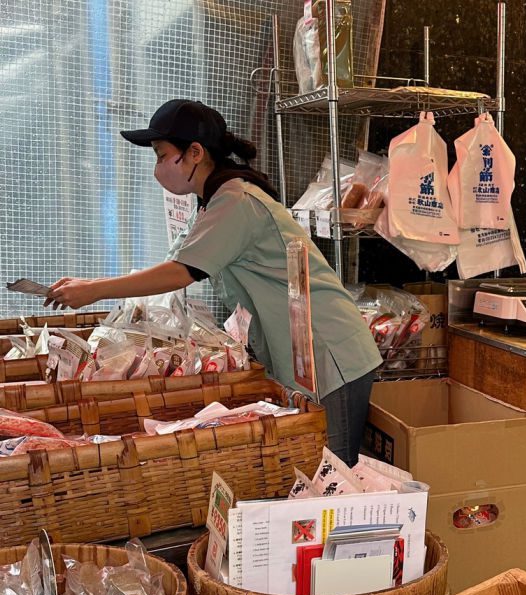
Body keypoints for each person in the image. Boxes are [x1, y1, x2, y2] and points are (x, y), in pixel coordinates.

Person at [46, 99, 382, 464]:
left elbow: (181, 272)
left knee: (330, 472)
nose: (157, 168)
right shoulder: (210, 202)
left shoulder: (234, 201)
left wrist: (92, 290)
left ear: (194, 153)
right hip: (303, 352)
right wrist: (96, 289)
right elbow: (173, 264)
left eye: (161, 155)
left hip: (328, 350)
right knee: (311, 471)